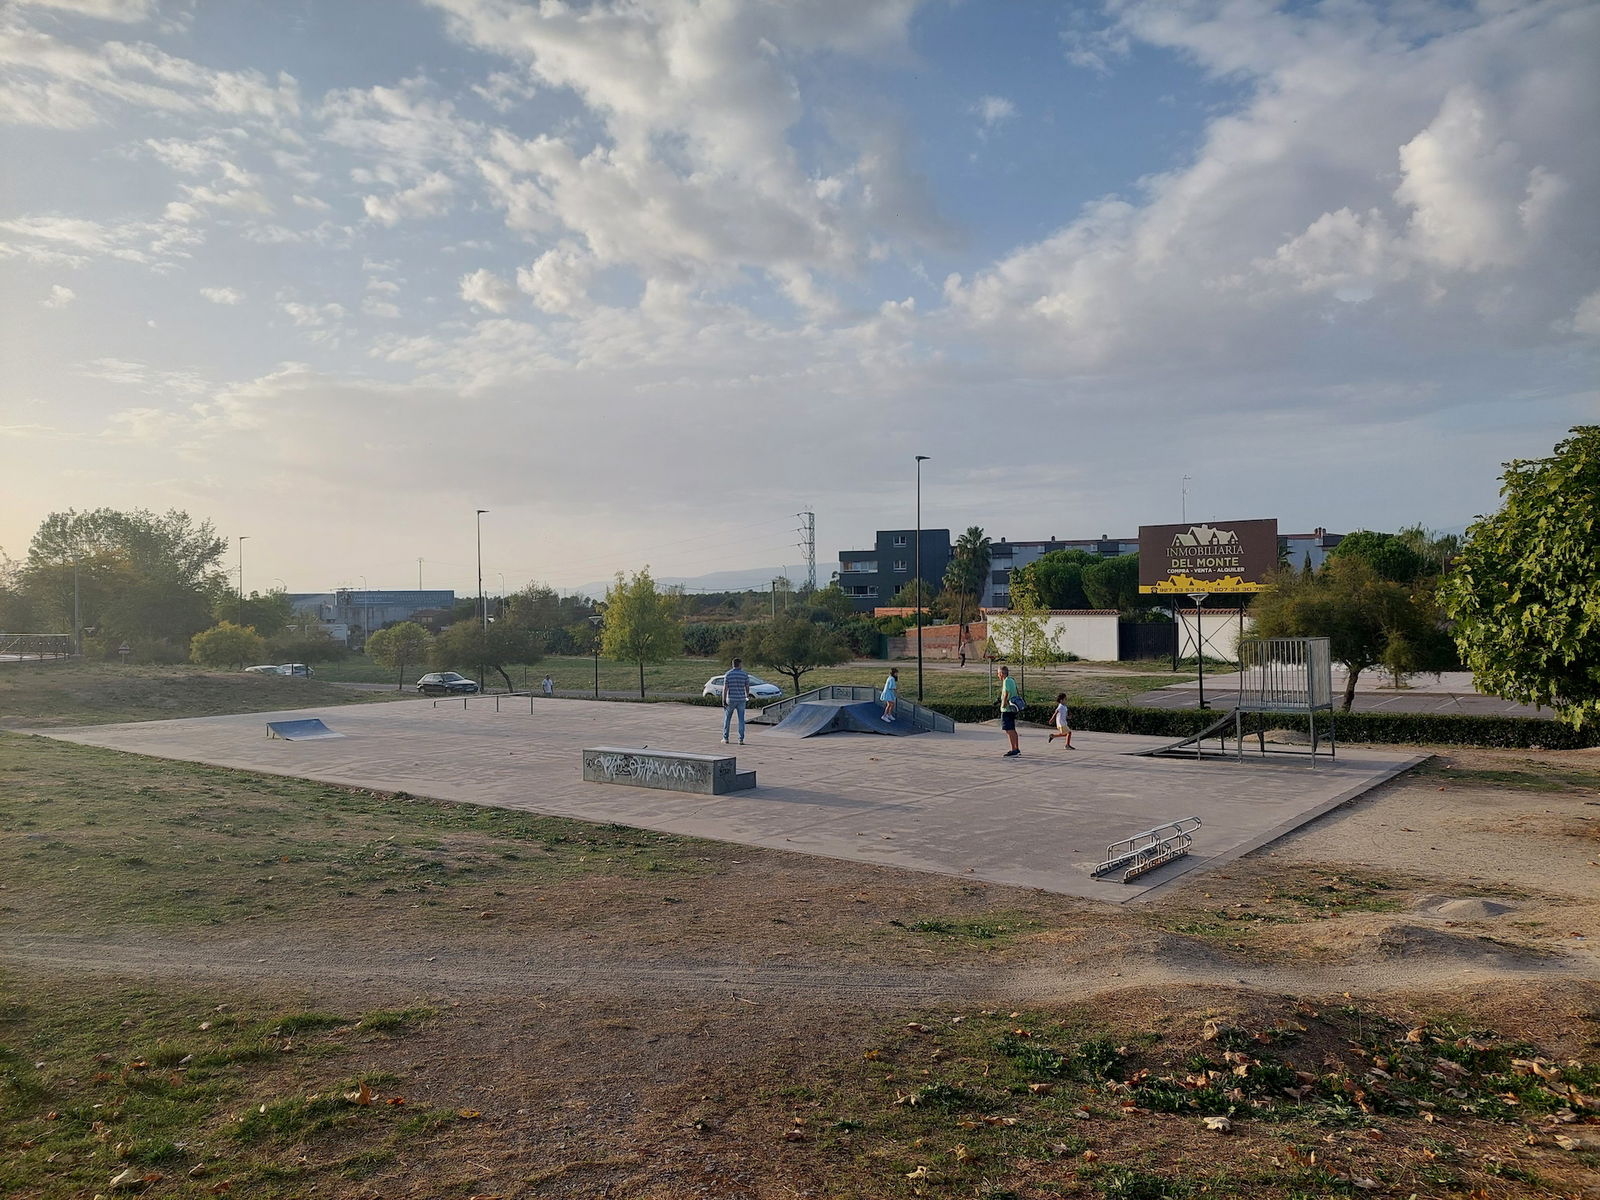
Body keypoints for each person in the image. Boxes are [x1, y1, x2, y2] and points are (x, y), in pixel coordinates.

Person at [722, 657, 750, 745]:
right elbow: (747, 686)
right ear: (739, 664)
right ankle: (740, 739)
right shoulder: (744, 674)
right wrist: (747, 695)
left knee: (727, 718)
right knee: (741, 719)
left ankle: (725, 738)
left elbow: (725, 688)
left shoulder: (728, 674)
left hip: (731, 699)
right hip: (741, 699)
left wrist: (723, 699)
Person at [998, 664, 1022, 756]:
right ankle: (1016, 748)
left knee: (1009, 730)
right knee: (1012, 729)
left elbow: (1006, 693)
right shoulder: (1012, 680)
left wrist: (1003, 703)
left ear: (1002, 673)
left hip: (1007, 709)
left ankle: (1014, 750)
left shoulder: (1006, 681)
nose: (998, 676)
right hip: (1012, 708)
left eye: (998, 673)